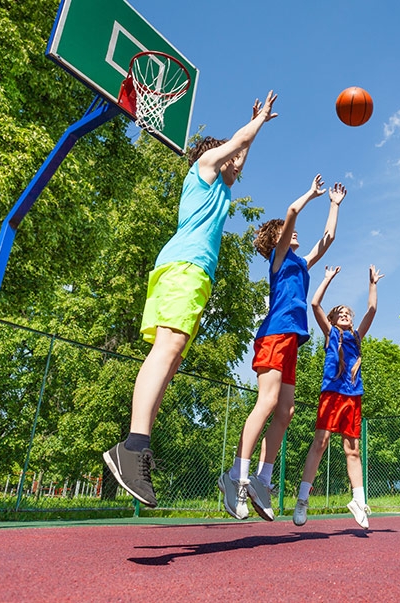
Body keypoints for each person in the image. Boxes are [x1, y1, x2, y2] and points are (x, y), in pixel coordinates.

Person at [103, 91, 278, 508]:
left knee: (173, 355)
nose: (238, 164)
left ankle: (136, 445)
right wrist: (257, 123)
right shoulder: (202, 169)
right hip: (184, 267)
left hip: (193, 273)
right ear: (215, 157)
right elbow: (233, 148)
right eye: (232, 158)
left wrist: (250, 137)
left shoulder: (221, 188)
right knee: (167, 349)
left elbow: (238, 155)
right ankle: (133, 445)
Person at [219, 174, 346, 520]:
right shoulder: (279, 260)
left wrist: (333, 206)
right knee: (268, 401)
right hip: (274, 334)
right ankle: (236, 475)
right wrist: (312, 194)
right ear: (278, 238)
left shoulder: (301, 265)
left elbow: (328, 238)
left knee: (286, 411)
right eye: (289, 231)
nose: (296, 234)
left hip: (292, 339)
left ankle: (263, 477)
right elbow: (291, 210)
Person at [293, 264, 384, 529]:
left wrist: (372, 284)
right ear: (333, 320)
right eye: (341, 313)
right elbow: (314, 303)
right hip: (332, 394)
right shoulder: (331, 333)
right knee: (320, 443)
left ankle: (358, 500)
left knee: (352, 450)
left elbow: (372, 310)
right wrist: (327, 279)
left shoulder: (356, 336)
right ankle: (302, 500)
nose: (345, 315)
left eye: (348, 313)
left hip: (353, 395)